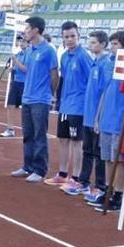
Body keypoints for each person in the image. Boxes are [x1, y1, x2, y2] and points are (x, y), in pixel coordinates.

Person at [89, 31, 124, 212]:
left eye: (115, 44)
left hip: (120, 120)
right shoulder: (108, 64)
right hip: (107, 118)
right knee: (107, 158)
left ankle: (119, 194)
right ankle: (108, 190)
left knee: (119, 160)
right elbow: (104, 93)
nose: (111, 47)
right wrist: (98, 118)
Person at [62, 30, 110, 199]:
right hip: (87, 116)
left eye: (94, 42)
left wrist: (98, 118)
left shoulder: (105, 64)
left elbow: (105, 93)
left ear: (103, 44)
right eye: (89, 42)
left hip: (97, 118)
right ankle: (83, 182)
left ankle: (100, 186)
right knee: (87, 150)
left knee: (99, 154)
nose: (90, 45)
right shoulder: (95, 63)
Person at [10, 17, 59, 183]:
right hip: (27, 98)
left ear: (36, 30)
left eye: (27, 28)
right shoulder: (30, 50)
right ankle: (27, 166)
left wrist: (49, 94)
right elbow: (28, 71)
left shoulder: (48, 50)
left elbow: (54, 75)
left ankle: (40, 169)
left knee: (39, 135)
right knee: (28, 134)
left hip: (40, 100)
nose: (25, 31)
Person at [45, 21, 92, 187]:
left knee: (76, 142)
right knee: (63, 139)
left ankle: (76, 177)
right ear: (63, 38)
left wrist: (87, 106)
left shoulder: (84, 56)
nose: (70, 39)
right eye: (66, 37)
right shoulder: (64, 56)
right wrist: (56, 99)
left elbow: (91, 82)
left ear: (78, 36)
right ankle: (63, 174)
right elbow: (63, 79)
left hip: (78, 108)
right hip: (65, 106)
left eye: (73, 36)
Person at [0, 34, 28, 137]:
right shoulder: (19, 54)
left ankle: (28, 130)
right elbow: (18, 69)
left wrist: (15, 60)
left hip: (25, 84)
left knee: (26, 109)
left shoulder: (29, 54)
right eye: (21, 41)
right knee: (11, 105)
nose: (21, 43)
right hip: (16, 82)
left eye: (24, 41)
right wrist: (12, 69)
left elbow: (26, 69)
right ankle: (10, 129)